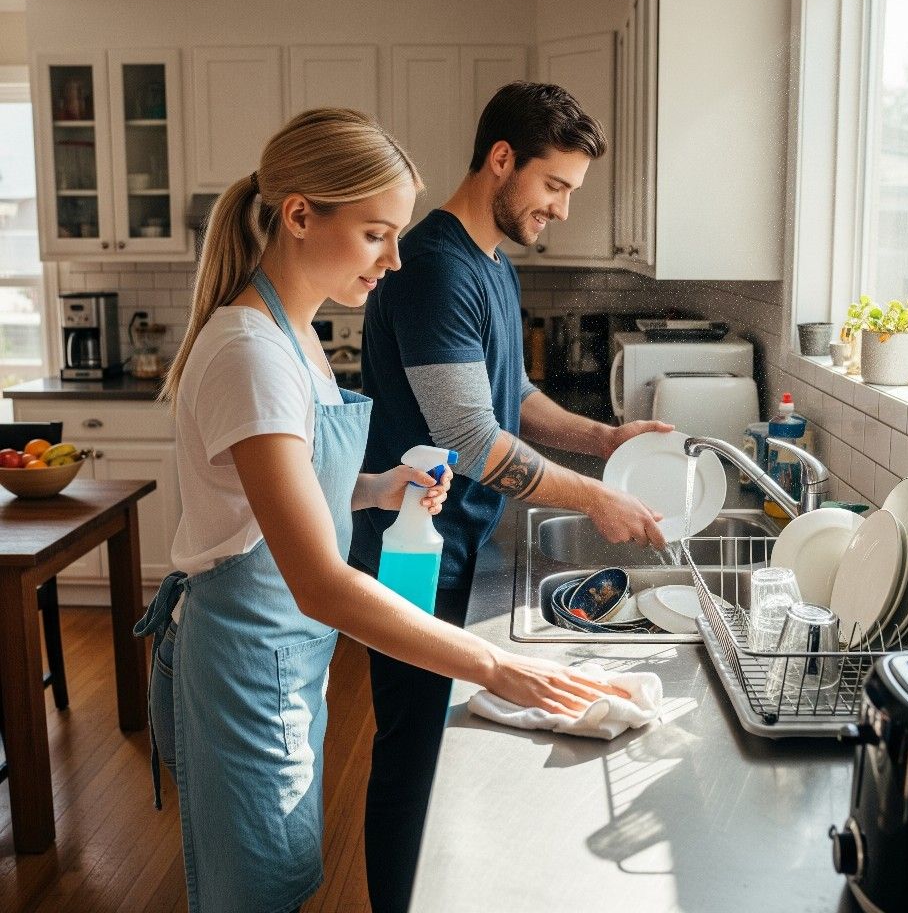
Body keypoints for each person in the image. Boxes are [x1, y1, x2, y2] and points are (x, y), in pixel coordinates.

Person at [133, 108, 627, 913]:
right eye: (375, 235)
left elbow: (268, 498)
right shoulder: (251, 353)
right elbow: (319, 582)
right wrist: (499, 667)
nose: (395, 259)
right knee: (252, 894)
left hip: (284, 658)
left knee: (283, 880)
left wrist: (375, 486)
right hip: (246, 661)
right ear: (299, 215)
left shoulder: (292, 333)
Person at [352, 82, 673, 913]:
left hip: (462, 536)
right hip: (414, 548)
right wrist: (598, 499)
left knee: (442, 745)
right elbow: (469, 439)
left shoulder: (489, 260)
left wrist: (606, 440)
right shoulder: (431, 268)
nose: (563, 210)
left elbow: (513, 396)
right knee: (415, 746)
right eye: (554, 186)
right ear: (502, 160)